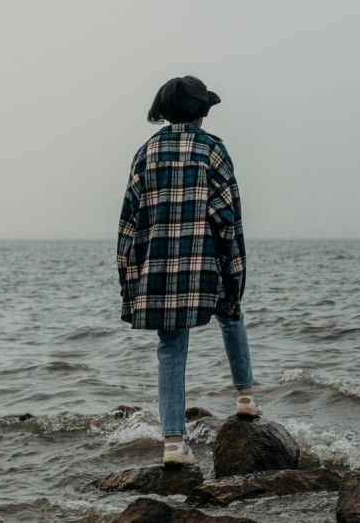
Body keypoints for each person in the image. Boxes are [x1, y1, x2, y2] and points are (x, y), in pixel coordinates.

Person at [117, 75, 260, 466]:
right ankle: (245, 397)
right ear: (200, 114)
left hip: (159, 269)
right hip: (207, 263)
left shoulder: (145, 153)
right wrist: (235, 275)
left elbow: (129, 222)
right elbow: (228, 218)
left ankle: (173, 443)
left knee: (170, 347)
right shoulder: (212, 150)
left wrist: (128, 281)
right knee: (231, 315)